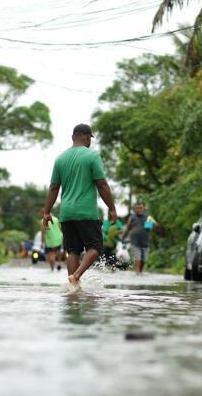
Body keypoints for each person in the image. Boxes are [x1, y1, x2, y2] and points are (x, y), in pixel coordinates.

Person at [42, 123, 117, 288]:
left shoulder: (60, 158)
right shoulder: (91, 156)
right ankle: (76, 276)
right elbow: (102, 184)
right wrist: (111, 207)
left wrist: (47, 212)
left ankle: (73, 285)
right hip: (86, 212)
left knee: (73, 250)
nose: (90, 141)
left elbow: (53, 187)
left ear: (73, 137)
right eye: (90, 138)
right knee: (95, 247)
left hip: (66, 213)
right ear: (86, 137)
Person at [122, 202, 155, 275]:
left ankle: (140, 272)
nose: (139, 209)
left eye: (141, 208)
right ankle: (137, 273)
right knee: (138, 258)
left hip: (145, 241)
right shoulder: (132, 217)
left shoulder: (147, 218)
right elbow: (128, 228)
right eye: (137, 208)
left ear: (144, 209)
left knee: (143, 260)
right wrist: (123, 237)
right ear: (135, 209)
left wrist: (152, 224)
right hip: (135, 241)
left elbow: (150, 228)